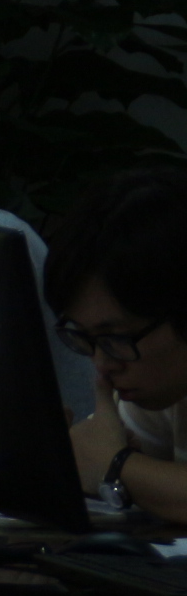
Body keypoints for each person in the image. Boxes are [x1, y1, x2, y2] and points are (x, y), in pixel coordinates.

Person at [46, 167, 187, 524]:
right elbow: (105, 462)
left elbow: (109, 464)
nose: (102, 364)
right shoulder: (162, 386)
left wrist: (115, 465)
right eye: (86, 338)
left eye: (115, 338)